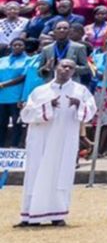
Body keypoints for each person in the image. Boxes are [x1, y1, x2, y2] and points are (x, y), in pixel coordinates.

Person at [13, 59, 93, 227]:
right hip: (41, 140)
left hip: (65, 141)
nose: (66, 69)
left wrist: (79, 105)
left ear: (74, 71)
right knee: (36, 174)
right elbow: (26, 115)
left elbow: (90, 112)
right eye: (64, 66)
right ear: (56, 67)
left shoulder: (81, 91)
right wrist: (48, 106)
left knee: (61, 175)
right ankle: (31, 214)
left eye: (71, 68)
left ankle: (58, 213)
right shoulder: (40, 91)